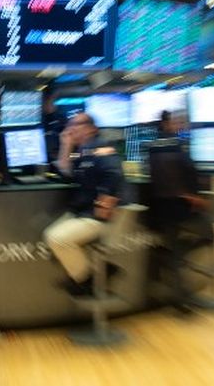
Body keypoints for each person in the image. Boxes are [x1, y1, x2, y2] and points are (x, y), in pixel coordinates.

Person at [44, 113, 125, 297]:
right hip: (82, 212)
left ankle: (87, 280)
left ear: (91, 128)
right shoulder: (82, 151)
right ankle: (99, 269)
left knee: (56, 238)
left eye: (76, 124)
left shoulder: (102, 148)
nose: (71, 128)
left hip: (97, 216)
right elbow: (65, 169)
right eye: (69, 124)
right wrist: (66, 143)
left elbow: (114, 174)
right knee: (49, 238)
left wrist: (105, 204)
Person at [147, 110, 211, 312]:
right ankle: (180, 293)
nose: (181, 124)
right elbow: (169, 174)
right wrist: (190, 196)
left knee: (174, 248)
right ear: (165, 124)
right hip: (177, 206)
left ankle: (179, 296)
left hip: (167, 206)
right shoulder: (169, 144)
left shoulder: (160, 143)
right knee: (209, 234)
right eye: (177, 121)